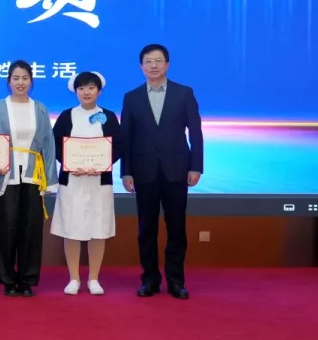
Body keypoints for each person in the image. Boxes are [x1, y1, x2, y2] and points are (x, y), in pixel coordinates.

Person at [121, 44, 203, 300]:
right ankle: (150, 280)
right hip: (143, 172)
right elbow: (126, 138)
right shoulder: (131, 97)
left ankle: (176, 281)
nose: (153, 65)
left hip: (177, 170)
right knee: (146, 229)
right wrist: (126, 172)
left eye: (158, 61)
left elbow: (196, 132)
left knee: (176, 228)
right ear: (141, 66)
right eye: (148, 61)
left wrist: (196, 166)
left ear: (167, 64)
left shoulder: (184, 93)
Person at [0, 60, 57, 297]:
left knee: (31, 229)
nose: (20, 82)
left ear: (31, 81)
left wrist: (49, 179)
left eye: (25, 78)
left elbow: (48, 145)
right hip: (6, 176)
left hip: (33, 176)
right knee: (5, 229)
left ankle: (26, 279)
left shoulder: (40, 109)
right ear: (9, 81)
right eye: (16, 78)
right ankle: (7, 279)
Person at [50, 71, 122, 296]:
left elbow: (118, 145)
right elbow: (55, 145)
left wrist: (102, 164)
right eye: (81, 88)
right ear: (76, 92)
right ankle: (74, 278)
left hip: (100, 180)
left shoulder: (108, 116)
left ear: (99, 91)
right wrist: (70, 163)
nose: (86, 92)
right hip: (72, 179)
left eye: (91, 87)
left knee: (98, 228)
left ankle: (93, 278)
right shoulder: (66, 116)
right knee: (71, 228)